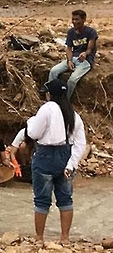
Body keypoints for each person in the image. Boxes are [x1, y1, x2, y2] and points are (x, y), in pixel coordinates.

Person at [26, 79, 86, 247]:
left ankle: (39, 238)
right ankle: (65, 238)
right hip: (66, 158)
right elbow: (80, 143)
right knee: (66, 199)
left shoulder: (47, 108)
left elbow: (33, 133)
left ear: (48, 94)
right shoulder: (73, 114)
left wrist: (30, 121)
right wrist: (71, 164)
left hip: (45, 156)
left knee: (41, 200)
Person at [47, 9, 98, 99]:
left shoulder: (91, 32)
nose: (74, 22)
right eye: (73, 19)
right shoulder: (71, 32)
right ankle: (51, 95)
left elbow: (90, 49)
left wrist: (85, 53)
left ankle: (65, 100)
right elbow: (69, 48)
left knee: (72, 80)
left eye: (77, 19)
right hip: (74, 58)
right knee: (53, 71)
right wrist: (69, 61)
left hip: (85, 61)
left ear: (83, 19)